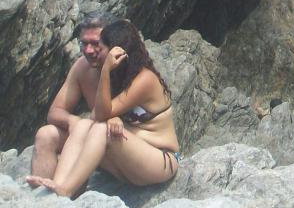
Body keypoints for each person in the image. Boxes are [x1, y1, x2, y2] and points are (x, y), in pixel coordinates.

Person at [26, 19, 179, 196]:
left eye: (99, 46)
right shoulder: (93, 70)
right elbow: (62, 113)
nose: (93, 52)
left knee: (98, 129)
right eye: (85, 44)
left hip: (159, 158)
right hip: (122, 154)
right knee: (69, 129)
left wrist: (105, 71)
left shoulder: (145, 79)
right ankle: (55, 189)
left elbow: (100, 114)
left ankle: (65, 190)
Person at [29, 11, 116, 185]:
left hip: (120, 142)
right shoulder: (82, 68)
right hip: (90, 135)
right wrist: (72, 121)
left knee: (87, 131)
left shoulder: (127, 66)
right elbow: (55, 112)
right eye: (84, 44)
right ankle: (40, 199)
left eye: (95, 44)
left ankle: (63, 189)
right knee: (46, 135)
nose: (88, 50)